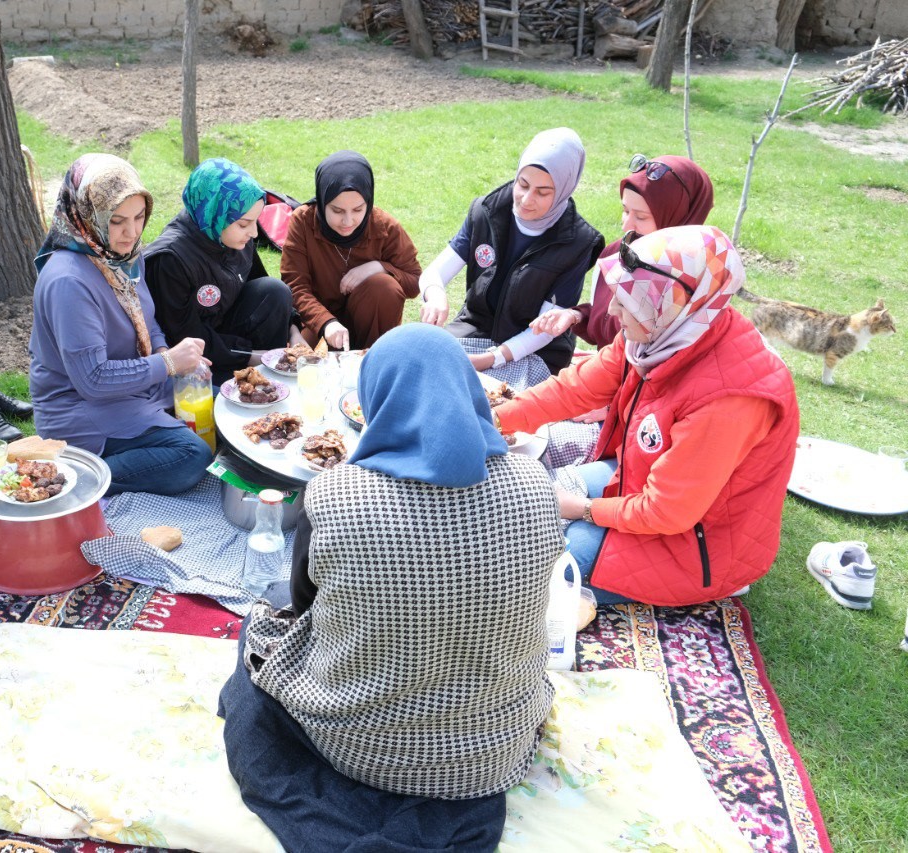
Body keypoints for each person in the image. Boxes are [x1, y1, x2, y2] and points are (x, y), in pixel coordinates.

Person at [219, 324, 564, 852]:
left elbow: (305, 610)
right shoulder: (535, 485)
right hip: (489, 748)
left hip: (356, 743)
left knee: (259, 641)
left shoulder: (334, 495)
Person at [493, 225, 800, 607]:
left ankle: (723, 585)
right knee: (529, 497)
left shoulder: (729, 399)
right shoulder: (662, 330)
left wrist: (582, 510)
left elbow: (667, 512)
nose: (611, 311)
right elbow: (575, 389)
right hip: (641, 487)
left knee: (533, 568)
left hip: (699, 547)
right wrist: (495, 421)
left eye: (628, 302)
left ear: (672, 304)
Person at [30, 153, 212, 496]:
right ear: (87, 215)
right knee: (192, 455)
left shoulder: (121, 254)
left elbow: (146, 319)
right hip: (80, 408)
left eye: (140, 216)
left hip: (132, 387)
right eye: (117, 220)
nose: (132, 232)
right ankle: (70, 479)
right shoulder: (69, 280)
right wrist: (169, 362)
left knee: (223, 405)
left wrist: (163, 351)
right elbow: (93, 380)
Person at [420, 127, 604, 374]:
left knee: (501, 403)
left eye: (542, 192)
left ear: (564, 189)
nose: (527, 200)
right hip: (474, 328)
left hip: (538, 350)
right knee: (424, 368)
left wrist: (492, 358)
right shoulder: (485, 211)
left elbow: (546, 330)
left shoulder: (578, 242)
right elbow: (434, 273)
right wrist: (435, 296)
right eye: (523, 184)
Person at [530, 154, 715, 352]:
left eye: (641, 216)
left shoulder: (690, 283)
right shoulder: (617, 253)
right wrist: (576, 316)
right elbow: (607, 319)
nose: (626, 225)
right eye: (626, 210)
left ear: (679, 218)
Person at [143, 157, 294, 383]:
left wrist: (295, 330)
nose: (254, 233)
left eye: (255, 222)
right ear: (215, 212)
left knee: (275, 290)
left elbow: (259, 283)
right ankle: (244, 378)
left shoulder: (232, 236)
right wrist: (250, 356)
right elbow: (185, 336)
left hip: (228, 326)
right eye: (244, 224)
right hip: (196, 351)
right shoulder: (170, 259)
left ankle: (272, 377)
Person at [281, 150, 421, 351]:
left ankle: (374, 361)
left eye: (358, 210)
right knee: (307, 367)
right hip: (321, 326)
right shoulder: (303, 221)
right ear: (322, 202)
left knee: (384, 286)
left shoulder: (383, 226)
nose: (348, 222)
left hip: (372, 328)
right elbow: (294, 286)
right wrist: (326, 322)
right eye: (337, 211)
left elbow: (415, 282)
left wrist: (379, 267)